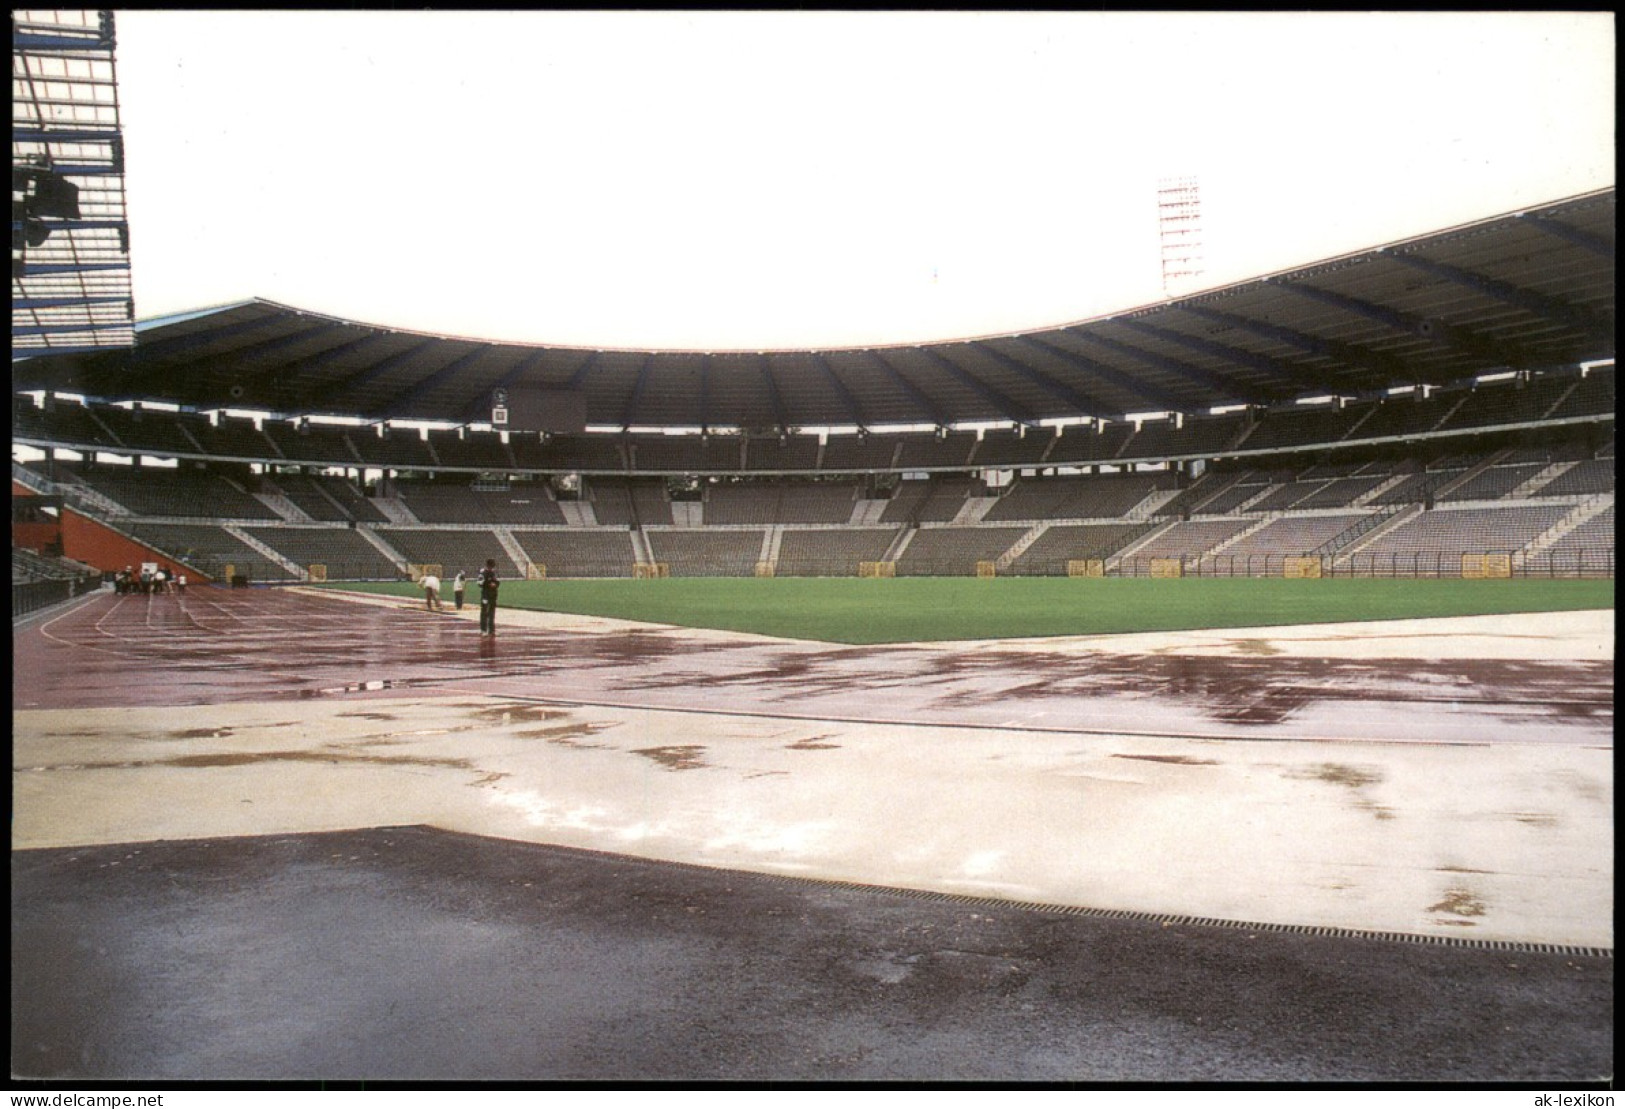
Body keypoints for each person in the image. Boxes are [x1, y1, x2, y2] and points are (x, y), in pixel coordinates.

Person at [478, 558, 500, 636]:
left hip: (493, 595)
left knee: (492, 612)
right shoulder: (483, 573)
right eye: (491, 566)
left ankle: (491, 630)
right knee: (484, 612)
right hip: (486, 594)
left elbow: (497, 582)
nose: (492, 568)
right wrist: (489, 584)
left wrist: (495, 585)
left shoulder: (494, 573)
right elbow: (480, 583)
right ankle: (483, 630)